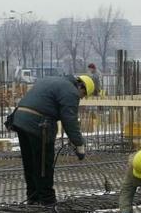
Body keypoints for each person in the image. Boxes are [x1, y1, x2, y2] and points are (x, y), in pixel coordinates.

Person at [10, 75, 95, 206]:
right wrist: (79, 144)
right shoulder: (71, 91)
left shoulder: (51, 80)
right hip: (38, 124)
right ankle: (47, 199)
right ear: (81, 86)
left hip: (20, 120)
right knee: (44, 164)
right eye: (83, 95)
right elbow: (70, 121)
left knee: (31, 162)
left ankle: (33, 197)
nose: (81, 98)